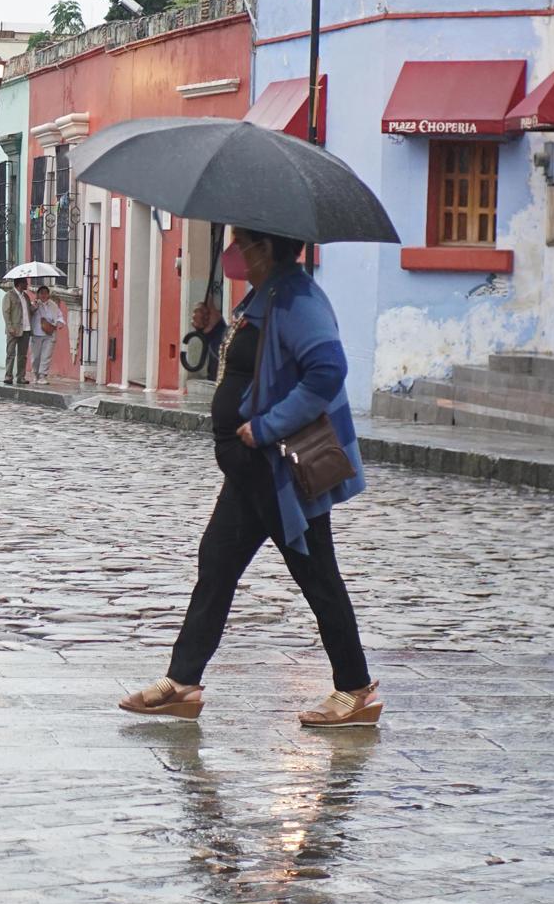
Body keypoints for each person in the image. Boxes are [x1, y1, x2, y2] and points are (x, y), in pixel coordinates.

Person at [120, 227, 380, 728]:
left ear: (264, 247)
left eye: (241, 240)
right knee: (216, 561)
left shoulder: (300, 299)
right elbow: (258, 366)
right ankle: (183, 681)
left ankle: (356, 689)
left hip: (276, 468)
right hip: (249, 471)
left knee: (317, 574)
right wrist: (218, 331)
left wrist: (266, 427)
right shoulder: (267, 293)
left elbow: (326, 371)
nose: (232, 250)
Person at [30, 285, 66, 380]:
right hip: (36, 333)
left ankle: (43, 375)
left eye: (45, 293)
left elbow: (59, 315)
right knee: (36, 356)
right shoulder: (33, 304)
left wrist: (60, 322)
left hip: (50, 333)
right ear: (38, 294)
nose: (44, 295)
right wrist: (34, 307)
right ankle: (35, 373)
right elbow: (29, 314)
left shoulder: (53, 305)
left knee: (46, 355)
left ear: (48, 294)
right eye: (41, 293)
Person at [0, 277, 31, 383]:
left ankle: (21, 376)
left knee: (23, 355)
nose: (27, 284)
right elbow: (6, 312)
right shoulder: (9, 295)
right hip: (14, 329)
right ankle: (8, 376)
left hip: (26, 328)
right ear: (19, 284)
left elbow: (29, 311)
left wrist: (35, 307)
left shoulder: (26, 296)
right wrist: (9, 327)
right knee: (10, 353)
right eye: (25, 282)